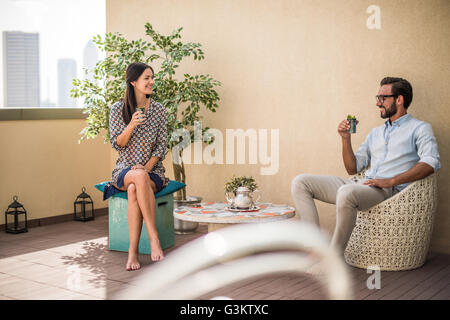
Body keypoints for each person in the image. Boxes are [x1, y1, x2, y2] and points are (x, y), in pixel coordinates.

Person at [291, 77, 441, 262]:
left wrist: (392, 181)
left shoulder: (420, 128)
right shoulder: (375, 133)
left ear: (399, 99)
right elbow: (353, 168)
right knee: (301, 182)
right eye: (377, 97)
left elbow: (431, 162)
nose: (378, 103)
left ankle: (333, 260)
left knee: (347, 192)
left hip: (385, 190)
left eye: (383, 98)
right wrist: (345, 139)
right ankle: (314, 249)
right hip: (360, 184)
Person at [103, 62, 170, 270]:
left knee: (135, 187)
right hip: (124, 170)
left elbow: (161, 147)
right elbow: (118, 144)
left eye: (152, 77)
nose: (151, 82)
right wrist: (131, 124)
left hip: (152, 172)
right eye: (146, 78)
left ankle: (132, 253)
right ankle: (154, 239)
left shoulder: (159, 110)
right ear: (133, 82)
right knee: (135, 179)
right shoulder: (117, 109)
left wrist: (145, 168)